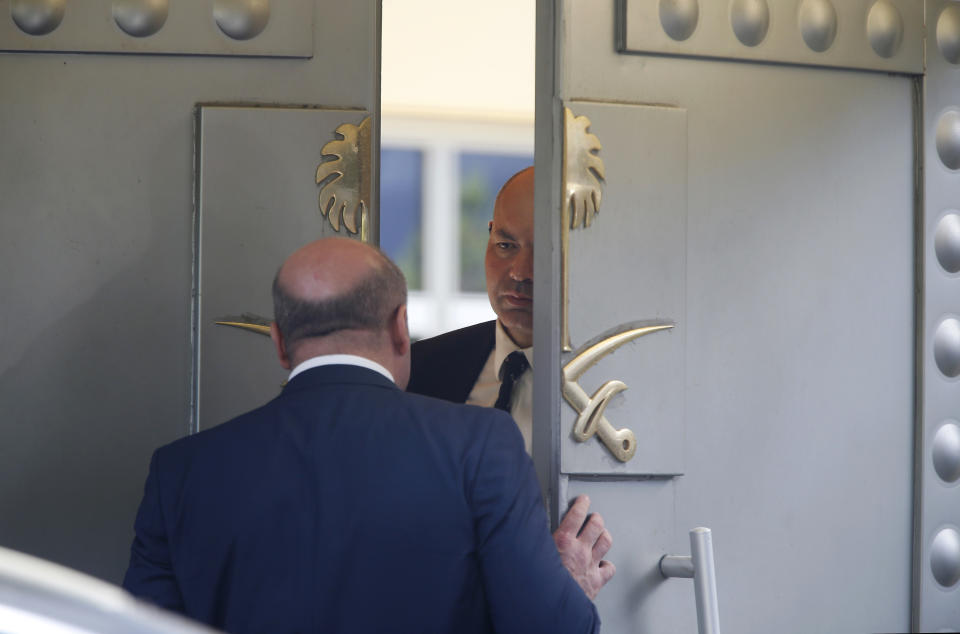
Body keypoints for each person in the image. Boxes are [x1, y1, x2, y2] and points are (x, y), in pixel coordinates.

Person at [122, 237, 600, 634]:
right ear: (399, 327)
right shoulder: (480, 445)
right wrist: (569, 585)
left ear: (281, 344)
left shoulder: (181, 471)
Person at [406, 166, 615, 599]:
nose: (520, 271)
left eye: (543, 252)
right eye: (505, 245)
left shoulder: (621, 383)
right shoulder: (420, 369)